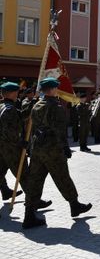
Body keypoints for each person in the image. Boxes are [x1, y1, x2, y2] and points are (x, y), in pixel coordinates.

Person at [23, 78, 91, 229]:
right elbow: (60, 131)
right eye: (56, 88)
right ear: (52, 89)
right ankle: (75, 205)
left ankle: (28, 215)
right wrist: (66, 148)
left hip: (37, 150)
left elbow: (33, 128)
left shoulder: (36, 106)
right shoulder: (56, 107)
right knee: (62, 178)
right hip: (53, 150)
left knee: (34, 181)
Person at [0, 82, 52, 217]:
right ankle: (34, 202)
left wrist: (33, 103)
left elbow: (21, 116)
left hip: (2, 149)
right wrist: (21, 142)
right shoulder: (10, 109)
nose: (18, 94)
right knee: (25, 176)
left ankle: (33, 200)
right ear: (11, 93)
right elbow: (9, 132)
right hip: (11, 150)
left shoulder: (3, 107)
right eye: (16, 92)